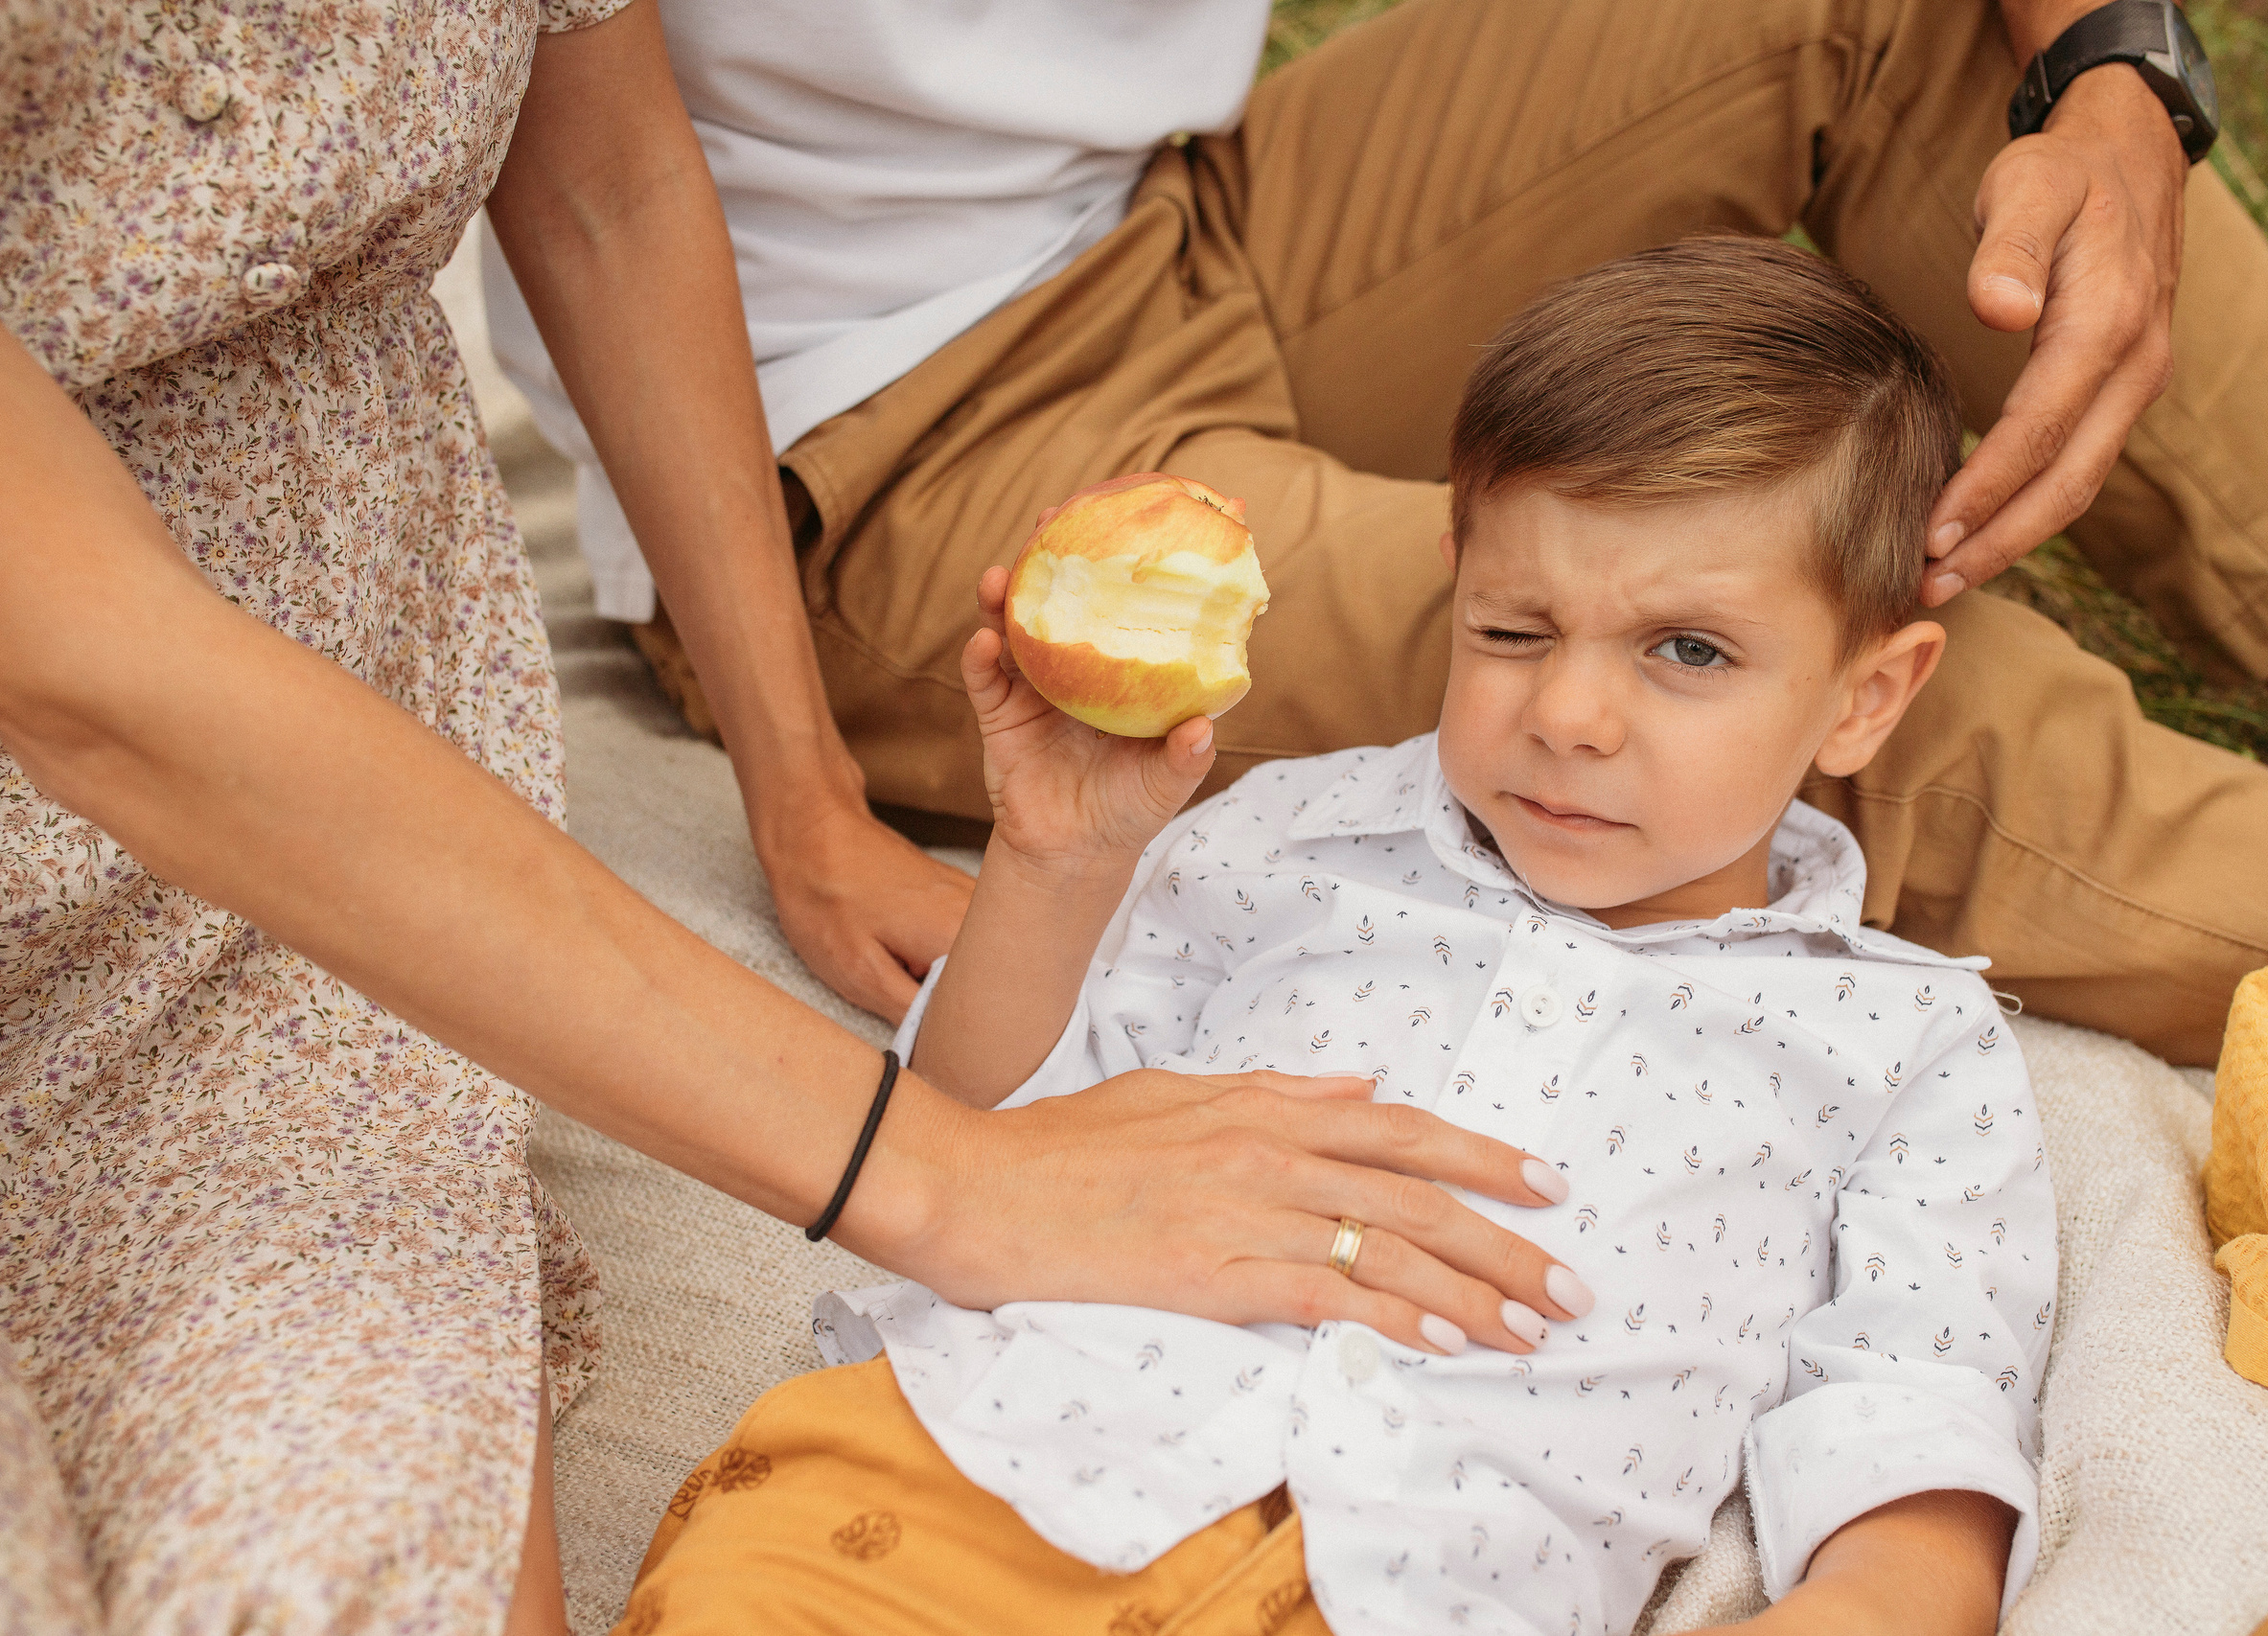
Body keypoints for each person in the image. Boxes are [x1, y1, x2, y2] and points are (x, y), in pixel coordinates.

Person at [0, 5, 1585, 1630]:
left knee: (359, 1573)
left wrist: (806, 792)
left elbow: (606, 177)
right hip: (96, 811)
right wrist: (956, 1181)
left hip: (336, 890)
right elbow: (98, 684)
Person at [488, 0, 2268, 1063]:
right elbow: (587, 187)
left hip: (1181, 212)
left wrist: (2111, 62)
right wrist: (801, 800)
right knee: (1751, 677)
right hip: (882, 424)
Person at [615, 242, 2058, 1636]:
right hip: (970, 1465)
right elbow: (975, 1140)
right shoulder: (1285, 840)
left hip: (1414, 1588)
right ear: (1454, 577)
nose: (1568, 715)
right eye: (1512, 630)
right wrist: (1054, 864)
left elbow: (1913, 1405)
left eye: (1689, 652)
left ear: (1870, 696)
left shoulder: (1908, 1042)